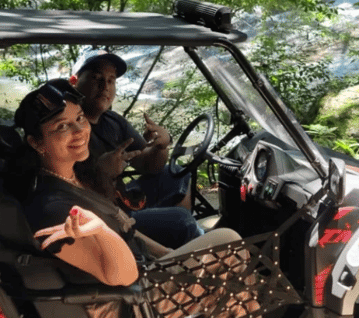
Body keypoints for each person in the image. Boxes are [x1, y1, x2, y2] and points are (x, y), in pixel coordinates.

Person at [14, 80, 259, 318]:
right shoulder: (52, 209)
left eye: (79, 118)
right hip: (132, 300)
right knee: (229, 246)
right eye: (62, 127)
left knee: (228, 258)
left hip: (144, 273)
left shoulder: (77, 177)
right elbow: (122, 277)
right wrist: (102, 232)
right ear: (37, 143)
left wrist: (167, 253)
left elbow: (125, 226)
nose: (79, 131)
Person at [67, 50, 201, 248]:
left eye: (111, 80)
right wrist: (102, 173)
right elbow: (65, 189)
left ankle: (171, 243)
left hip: (123, 198)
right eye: (96, 78)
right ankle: (180, 248)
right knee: (182, 220)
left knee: (178, 173)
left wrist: (161, 145)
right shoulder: (65, 126)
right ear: (73, 81)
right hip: (105, 216)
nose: (105, 87)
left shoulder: (113, 121)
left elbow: (149, 165)